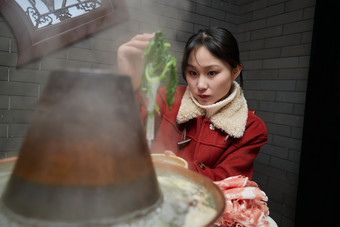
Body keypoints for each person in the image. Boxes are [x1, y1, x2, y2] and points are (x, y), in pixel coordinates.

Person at [117, 27, 267, 181]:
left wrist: (184, 168)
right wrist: (129, 82)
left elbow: (230, 182)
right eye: (193, 73)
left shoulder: (251, 128)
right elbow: (125, 133)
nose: (201, 85)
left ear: (235, 71)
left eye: (212, 73)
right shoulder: (168, 98)